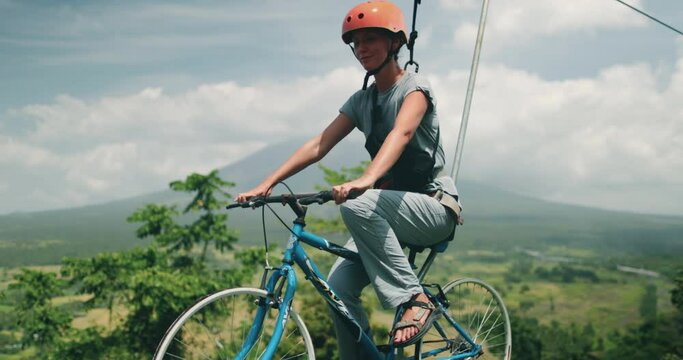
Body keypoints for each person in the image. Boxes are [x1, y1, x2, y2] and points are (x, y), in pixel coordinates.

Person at [236, 1, 460, 358]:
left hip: (433, 208)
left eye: (371, 39)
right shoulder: (362, 101)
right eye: (356, 43)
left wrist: (367, 178)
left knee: (359, 202)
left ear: (395, 44)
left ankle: (414, 298)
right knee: (338, 286)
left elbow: (401, 135)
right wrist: (269, 182)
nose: (362, 49)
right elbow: (319, 144)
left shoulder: (415, 89)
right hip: (389, 211)